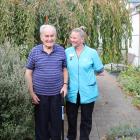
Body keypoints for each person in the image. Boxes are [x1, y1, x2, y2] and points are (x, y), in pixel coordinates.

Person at [25, 24, 68, 140]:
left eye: (52, 36)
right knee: (41, 126)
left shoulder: (61, 50)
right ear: (41, 37)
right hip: (39, 96)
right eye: (47, 36)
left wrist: (65, 85)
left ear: (56, 36)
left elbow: (65, 69)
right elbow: (28, 73)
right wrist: (32, 93)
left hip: (57, 95)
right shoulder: (34, 51)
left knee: (56, 125)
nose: (49, 39)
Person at [65, 27, 104, 140]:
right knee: (71, 118)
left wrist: (90, 74)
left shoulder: (92, 53)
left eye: (75, 38)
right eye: (71, 37)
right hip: (71, 91)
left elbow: (99, 69)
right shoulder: (67, 52)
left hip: (88, 91)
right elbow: (64, 69)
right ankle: (71, 137)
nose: (72, 40)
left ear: (82, 39)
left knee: (86, 119)